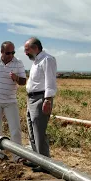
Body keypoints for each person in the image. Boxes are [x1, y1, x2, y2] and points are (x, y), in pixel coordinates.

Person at [23, 37, 57, 172]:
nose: (25, 53)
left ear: (35, 48)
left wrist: (48, 99)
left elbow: (50, 81)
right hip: (31, 98)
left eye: (27, 50)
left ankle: (44, 164)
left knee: (39, 133)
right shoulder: (36, 61)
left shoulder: (47, 59)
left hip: (41, 98)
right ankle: (36, 159)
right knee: (32, 131)